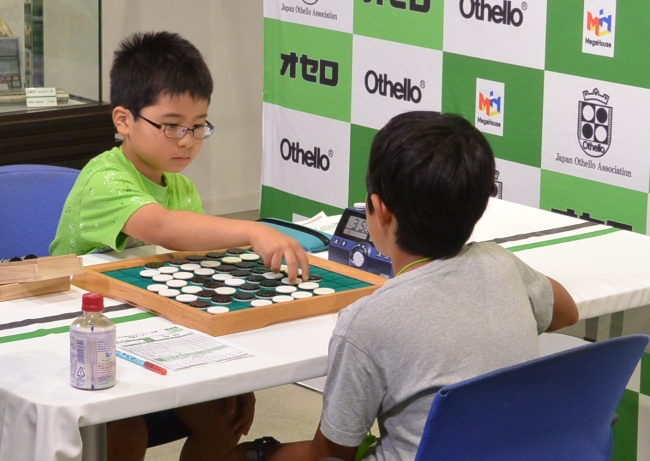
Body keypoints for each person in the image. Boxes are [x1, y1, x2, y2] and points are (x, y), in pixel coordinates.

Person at [221, 111, 579, 461]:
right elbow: (566, 311)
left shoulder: (365, 322)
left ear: (379, 210)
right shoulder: (502, 263)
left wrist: (259, 451)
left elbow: (330, 454)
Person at [50, 31, 310, 461]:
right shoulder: (105, 177)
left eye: (198, 126)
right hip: (85, 344)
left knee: (224, 416)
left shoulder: (183, 188)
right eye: (171, 125)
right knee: (125, 432)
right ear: (123, 120)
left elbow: (197, 272)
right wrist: (250, 231)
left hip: (150, 335)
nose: (187, 140)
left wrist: (236, 381)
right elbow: (163, 227)